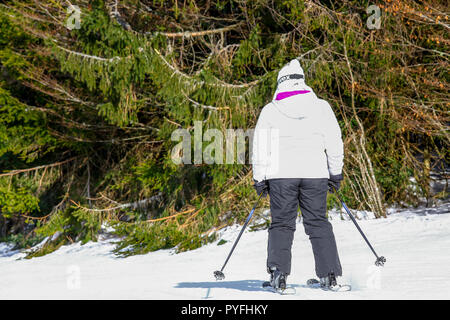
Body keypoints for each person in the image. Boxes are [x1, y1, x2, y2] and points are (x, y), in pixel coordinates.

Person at [252, 59, 344, 290]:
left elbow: (261, 147)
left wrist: (259, 177)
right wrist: (336, 173)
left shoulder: (271, 110)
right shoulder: (322, 107)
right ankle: (329, 275)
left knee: (282, 224)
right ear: (302, 81)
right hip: (315, 174)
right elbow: (334, 142)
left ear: (280, 82)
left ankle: (279, 274)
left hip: (281, 176)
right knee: (318, 222)